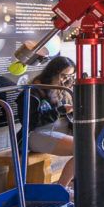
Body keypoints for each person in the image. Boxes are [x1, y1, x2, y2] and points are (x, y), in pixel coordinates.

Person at [18, 56, 76, 188]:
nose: (66, 79)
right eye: (64, 75)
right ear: (53, 72)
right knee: (83, 149)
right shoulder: (33, 91)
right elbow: (30, 122)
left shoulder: (62, 90)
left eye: (70, 75)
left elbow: (65, 114)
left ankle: (69, 185)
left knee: (94, 144)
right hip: (35, 134)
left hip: (58, 131)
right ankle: (61, 189)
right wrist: (60, 111)